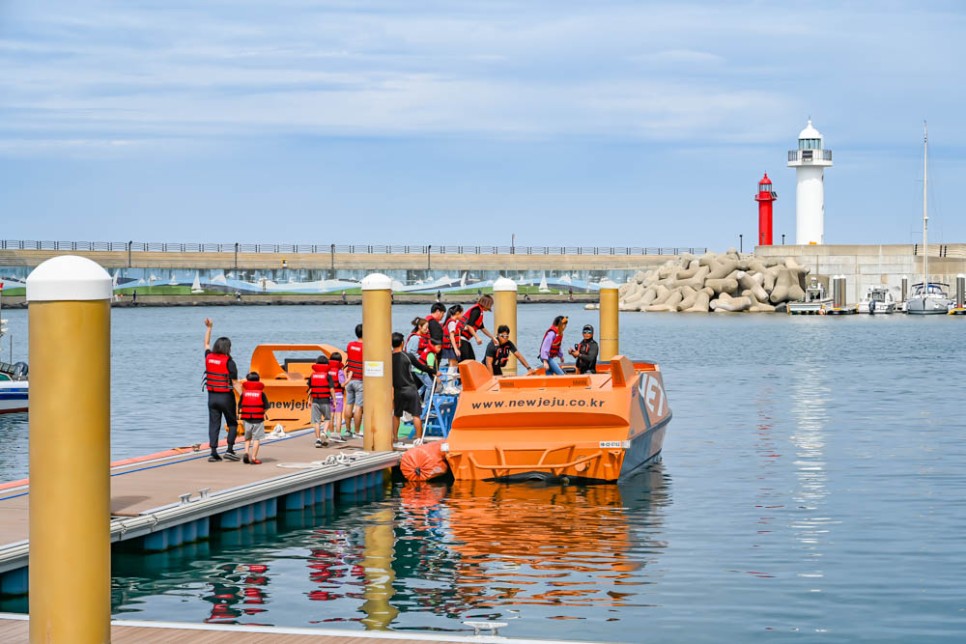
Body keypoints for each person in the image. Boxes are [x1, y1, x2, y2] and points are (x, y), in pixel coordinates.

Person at [203, 318, 240, 462]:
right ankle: (230, 450)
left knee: (214, 423)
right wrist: (245, 397)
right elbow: (236, 384)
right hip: (226, 397)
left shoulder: (209, 357)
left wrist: (209, 328)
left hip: (212, 397)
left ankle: (213, 452)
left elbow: (206, 344)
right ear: (227, 348)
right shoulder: (229, 362)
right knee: (232, 423)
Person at [391, 332, 435, 442]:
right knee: (416, 414)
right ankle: (419, 439)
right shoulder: (408, 356)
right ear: (402, 343)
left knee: (396, 415)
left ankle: (395, 437)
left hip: (397, 390)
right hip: (410, 389)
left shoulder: (388, 357)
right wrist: (434, 371)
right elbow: (422, 367)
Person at [238, 372, 269, 464]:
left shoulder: (244, 393)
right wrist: (263, 413)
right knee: (256, 439)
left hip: (247, 418)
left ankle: (246, 452)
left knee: (247, 438)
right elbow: (266, 406)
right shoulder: (261, 394)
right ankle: (254, 457)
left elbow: (240, 406)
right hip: (258, 419)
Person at [459, 294, 496, 361]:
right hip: (460, 338)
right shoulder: (476, 311)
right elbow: (469, 326)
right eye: (490, 305)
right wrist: (477, 337)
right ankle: (458, 371)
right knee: (467, 360)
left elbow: (482, 328)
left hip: (465, 339)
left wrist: (492, 337)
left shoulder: (480, 312)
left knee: (471, 359)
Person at [307, 355, 333, 447]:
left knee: (316, 421)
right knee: (327, 418)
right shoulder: (328, 376)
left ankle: (318, 440)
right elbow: (331, 389)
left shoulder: (312, 375)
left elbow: (310, 389)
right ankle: (324, 432)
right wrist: (334, 400)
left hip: (315, 401)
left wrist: (309, 400)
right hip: (325, 400)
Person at [406, 317, 434, 402]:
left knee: (426, 385)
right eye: (426, 327)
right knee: (430, 385)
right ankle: (426, 404)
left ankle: (417, 398)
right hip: (417, 367)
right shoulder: (415, 338)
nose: (427, 329)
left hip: (421, 366)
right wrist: (423, 361)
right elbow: (411, 352)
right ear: (420, 327)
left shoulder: (422, 338)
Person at [344, 324, 364, 436]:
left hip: (350, 379)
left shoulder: (350, 345)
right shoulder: (366, 346)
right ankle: (357, 431)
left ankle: (347, 430)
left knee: (349, 404)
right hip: (360, 380)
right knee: (358, 407)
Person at [439, 304, 464, 393]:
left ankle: (452, 385)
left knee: (454, 365)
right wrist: (456, 348)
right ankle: (449, 386)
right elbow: (452, 336)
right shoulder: (452, 322)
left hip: (451, 347)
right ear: (457, 313)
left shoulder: (452, 321)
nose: (462, 315)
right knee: (452, 365)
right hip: (451, 347)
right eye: (461, 313)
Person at [328, 351, 348, 441]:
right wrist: (348, 379)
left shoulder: (327, 371)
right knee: (338, 415)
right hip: (338, 395)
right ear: (340, 362)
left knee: (331, 415)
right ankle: (338, 434)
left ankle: (331, 434)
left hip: (329, 396)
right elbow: (342, 384)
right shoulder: (339, 371)